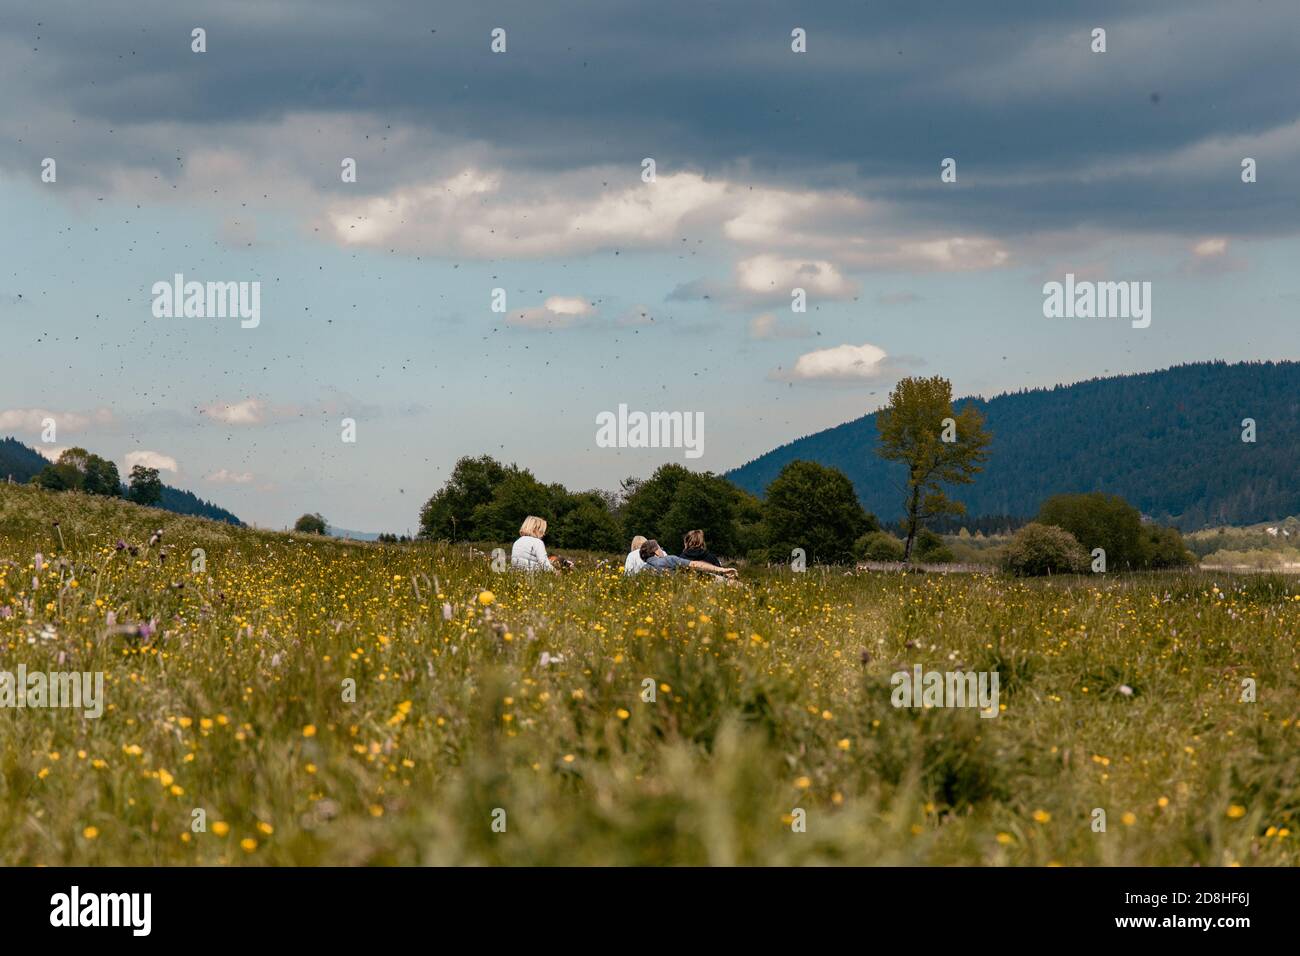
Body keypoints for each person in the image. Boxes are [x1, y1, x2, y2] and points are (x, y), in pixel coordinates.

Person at [637, 539, 737, 578]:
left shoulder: (643, 571)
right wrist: (722, 570)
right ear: (656, 551)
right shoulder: (669, 560)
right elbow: (695, 565)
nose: (662, 550)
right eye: (660, 548)